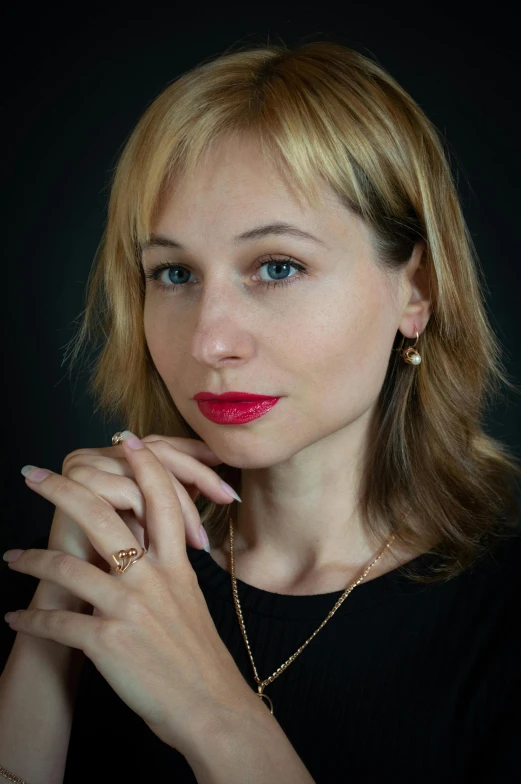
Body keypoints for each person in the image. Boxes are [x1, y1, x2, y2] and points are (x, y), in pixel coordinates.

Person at [1, 38, 520, 784]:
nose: (210, 340)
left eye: (277, 267)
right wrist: (61, 609)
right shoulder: (90, 561)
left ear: (417, 290)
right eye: (173, 273)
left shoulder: (502, 625)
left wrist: (214, 714)